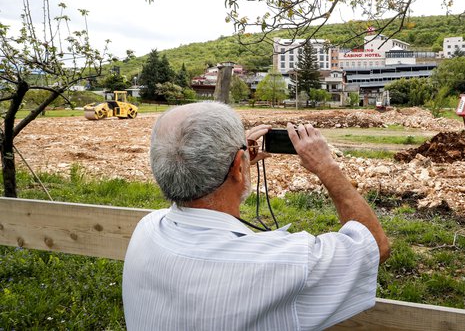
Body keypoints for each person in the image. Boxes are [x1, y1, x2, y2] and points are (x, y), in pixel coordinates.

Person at [122, 102, 390, 330]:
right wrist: (326, 166)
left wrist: (234, 159)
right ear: (239, 166)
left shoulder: (147, 229)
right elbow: (374, 246)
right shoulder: (289, 263)